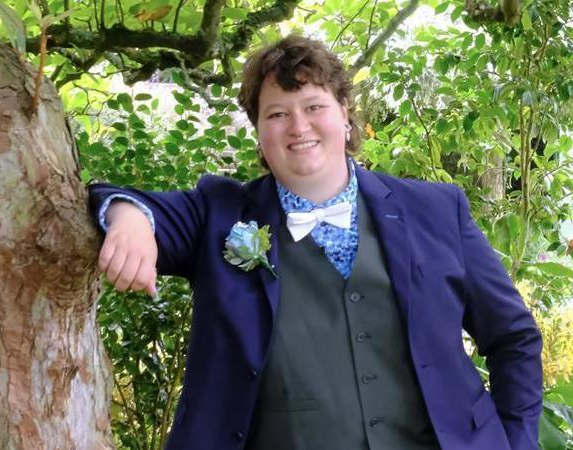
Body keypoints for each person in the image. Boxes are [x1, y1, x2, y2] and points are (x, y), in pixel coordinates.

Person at [88, 35, 542, 450]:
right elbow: (121, 200)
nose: (298, 126)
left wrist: (516, 443)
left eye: (313, 106)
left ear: (345, 114)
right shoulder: (219, 214)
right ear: (260, 134)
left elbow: (514, 338)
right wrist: (128, 218)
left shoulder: (437, 209)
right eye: (277, 113)